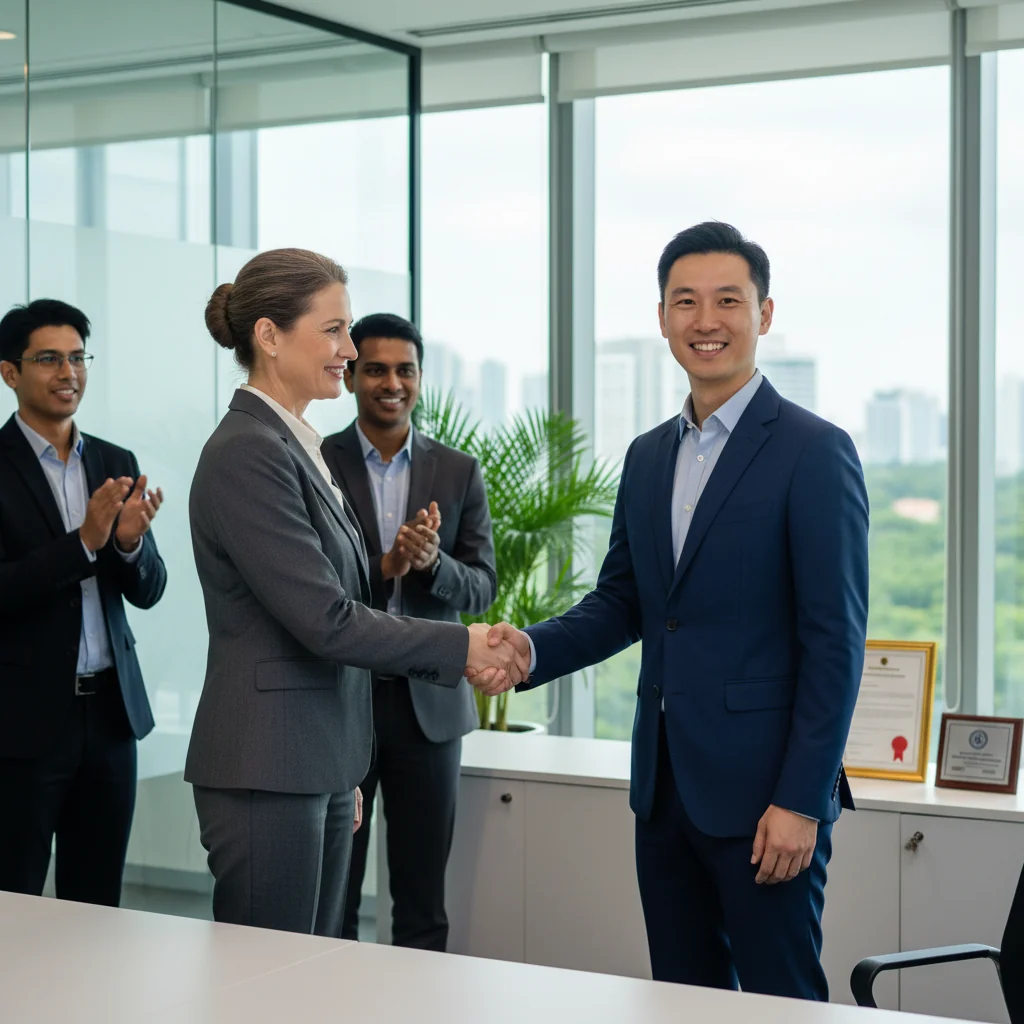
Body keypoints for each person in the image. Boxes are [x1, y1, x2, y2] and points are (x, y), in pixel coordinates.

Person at [475, 222, 869, 1001]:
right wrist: (530, 650)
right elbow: (626, 600)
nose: (706, 320)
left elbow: (835, 641)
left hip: (767, 801)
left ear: (765, 313)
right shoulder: (649, 455)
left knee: (780, 999)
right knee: (680, 997)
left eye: (728, 299)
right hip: (665, 793)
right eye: (685, 301)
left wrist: (800, 800)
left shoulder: (813, 450)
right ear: (661, 318)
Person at [186, 249, 520, 937]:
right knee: (268, 988)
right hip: (269, 764)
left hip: (314, 759)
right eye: (334, 331)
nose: (348, 349)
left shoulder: (292, 442)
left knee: (312, 975)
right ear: (271, 337)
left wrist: (342, 768)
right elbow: (328, 620)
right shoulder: (249, 450)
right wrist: (463, 645)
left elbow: (341, 598)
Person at [321, 313, 496, 951]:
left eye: (405, 370)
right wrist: (384, 566)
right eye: (375, 370)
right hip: (342, 700)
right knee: (332, 894)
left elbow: (482, 586)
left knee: (422, 900)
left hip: (430, 709)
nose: (391, 383)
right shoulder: (317, 462)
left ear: (419, 378)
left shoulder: (458, 471)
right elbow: (309, 585)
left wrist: (432, 565)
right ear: (351, 376)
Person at [0, 299, 167, 906]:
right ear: (9, 373)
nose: (67, 371)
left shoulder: (114, 461)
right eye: (48, 358)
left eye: (77, 357)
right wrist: (84, 544)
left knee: (98, 904)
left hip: (110, 717)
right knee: (12, 898)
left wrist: (126, 547)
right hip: (22, 726)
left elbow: (150, 589)